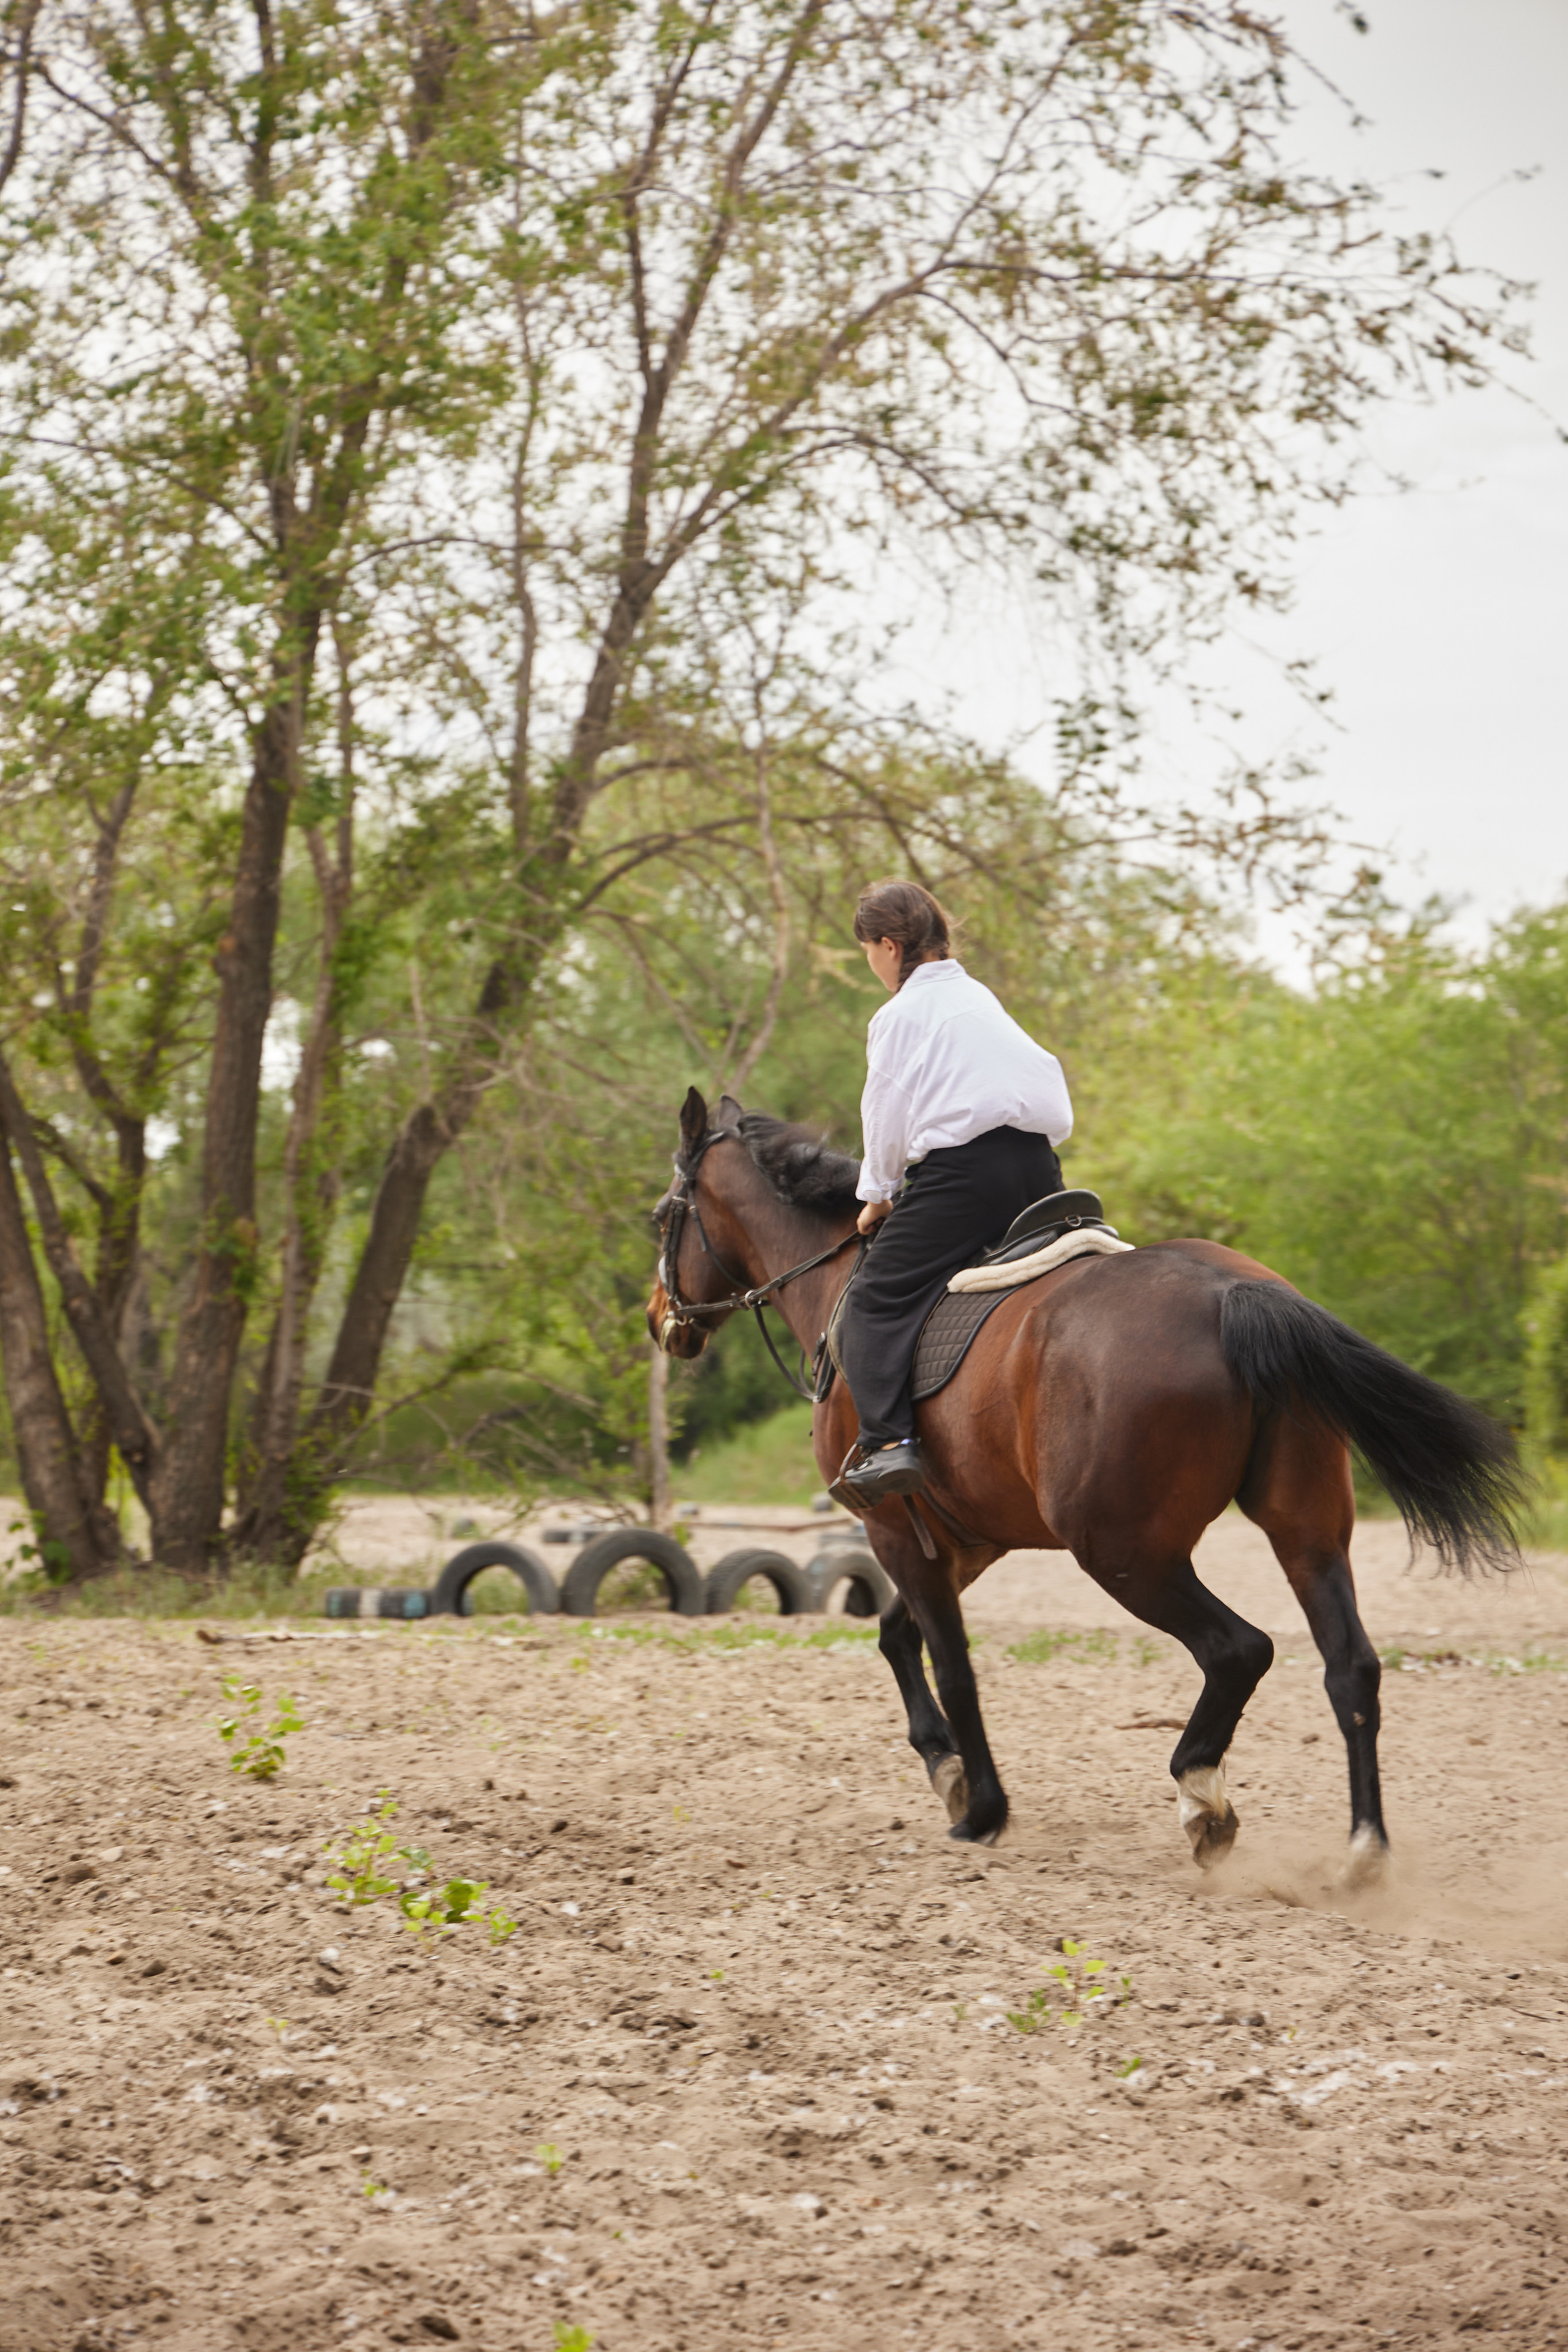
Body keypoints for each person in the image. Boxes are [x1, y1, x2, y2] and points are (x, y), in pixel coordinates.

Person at [836, 879, 1073, 1505]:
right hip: (1039, 1171)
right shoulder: (977, 997)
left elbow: (884, 1110)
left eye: (868, 951)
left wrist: (878, 1196)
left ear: (888, 946)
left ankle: (890, 1447)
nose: (871, 965)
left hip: (964, 1179)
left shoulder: (898, 1015)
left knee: (872, 1302)